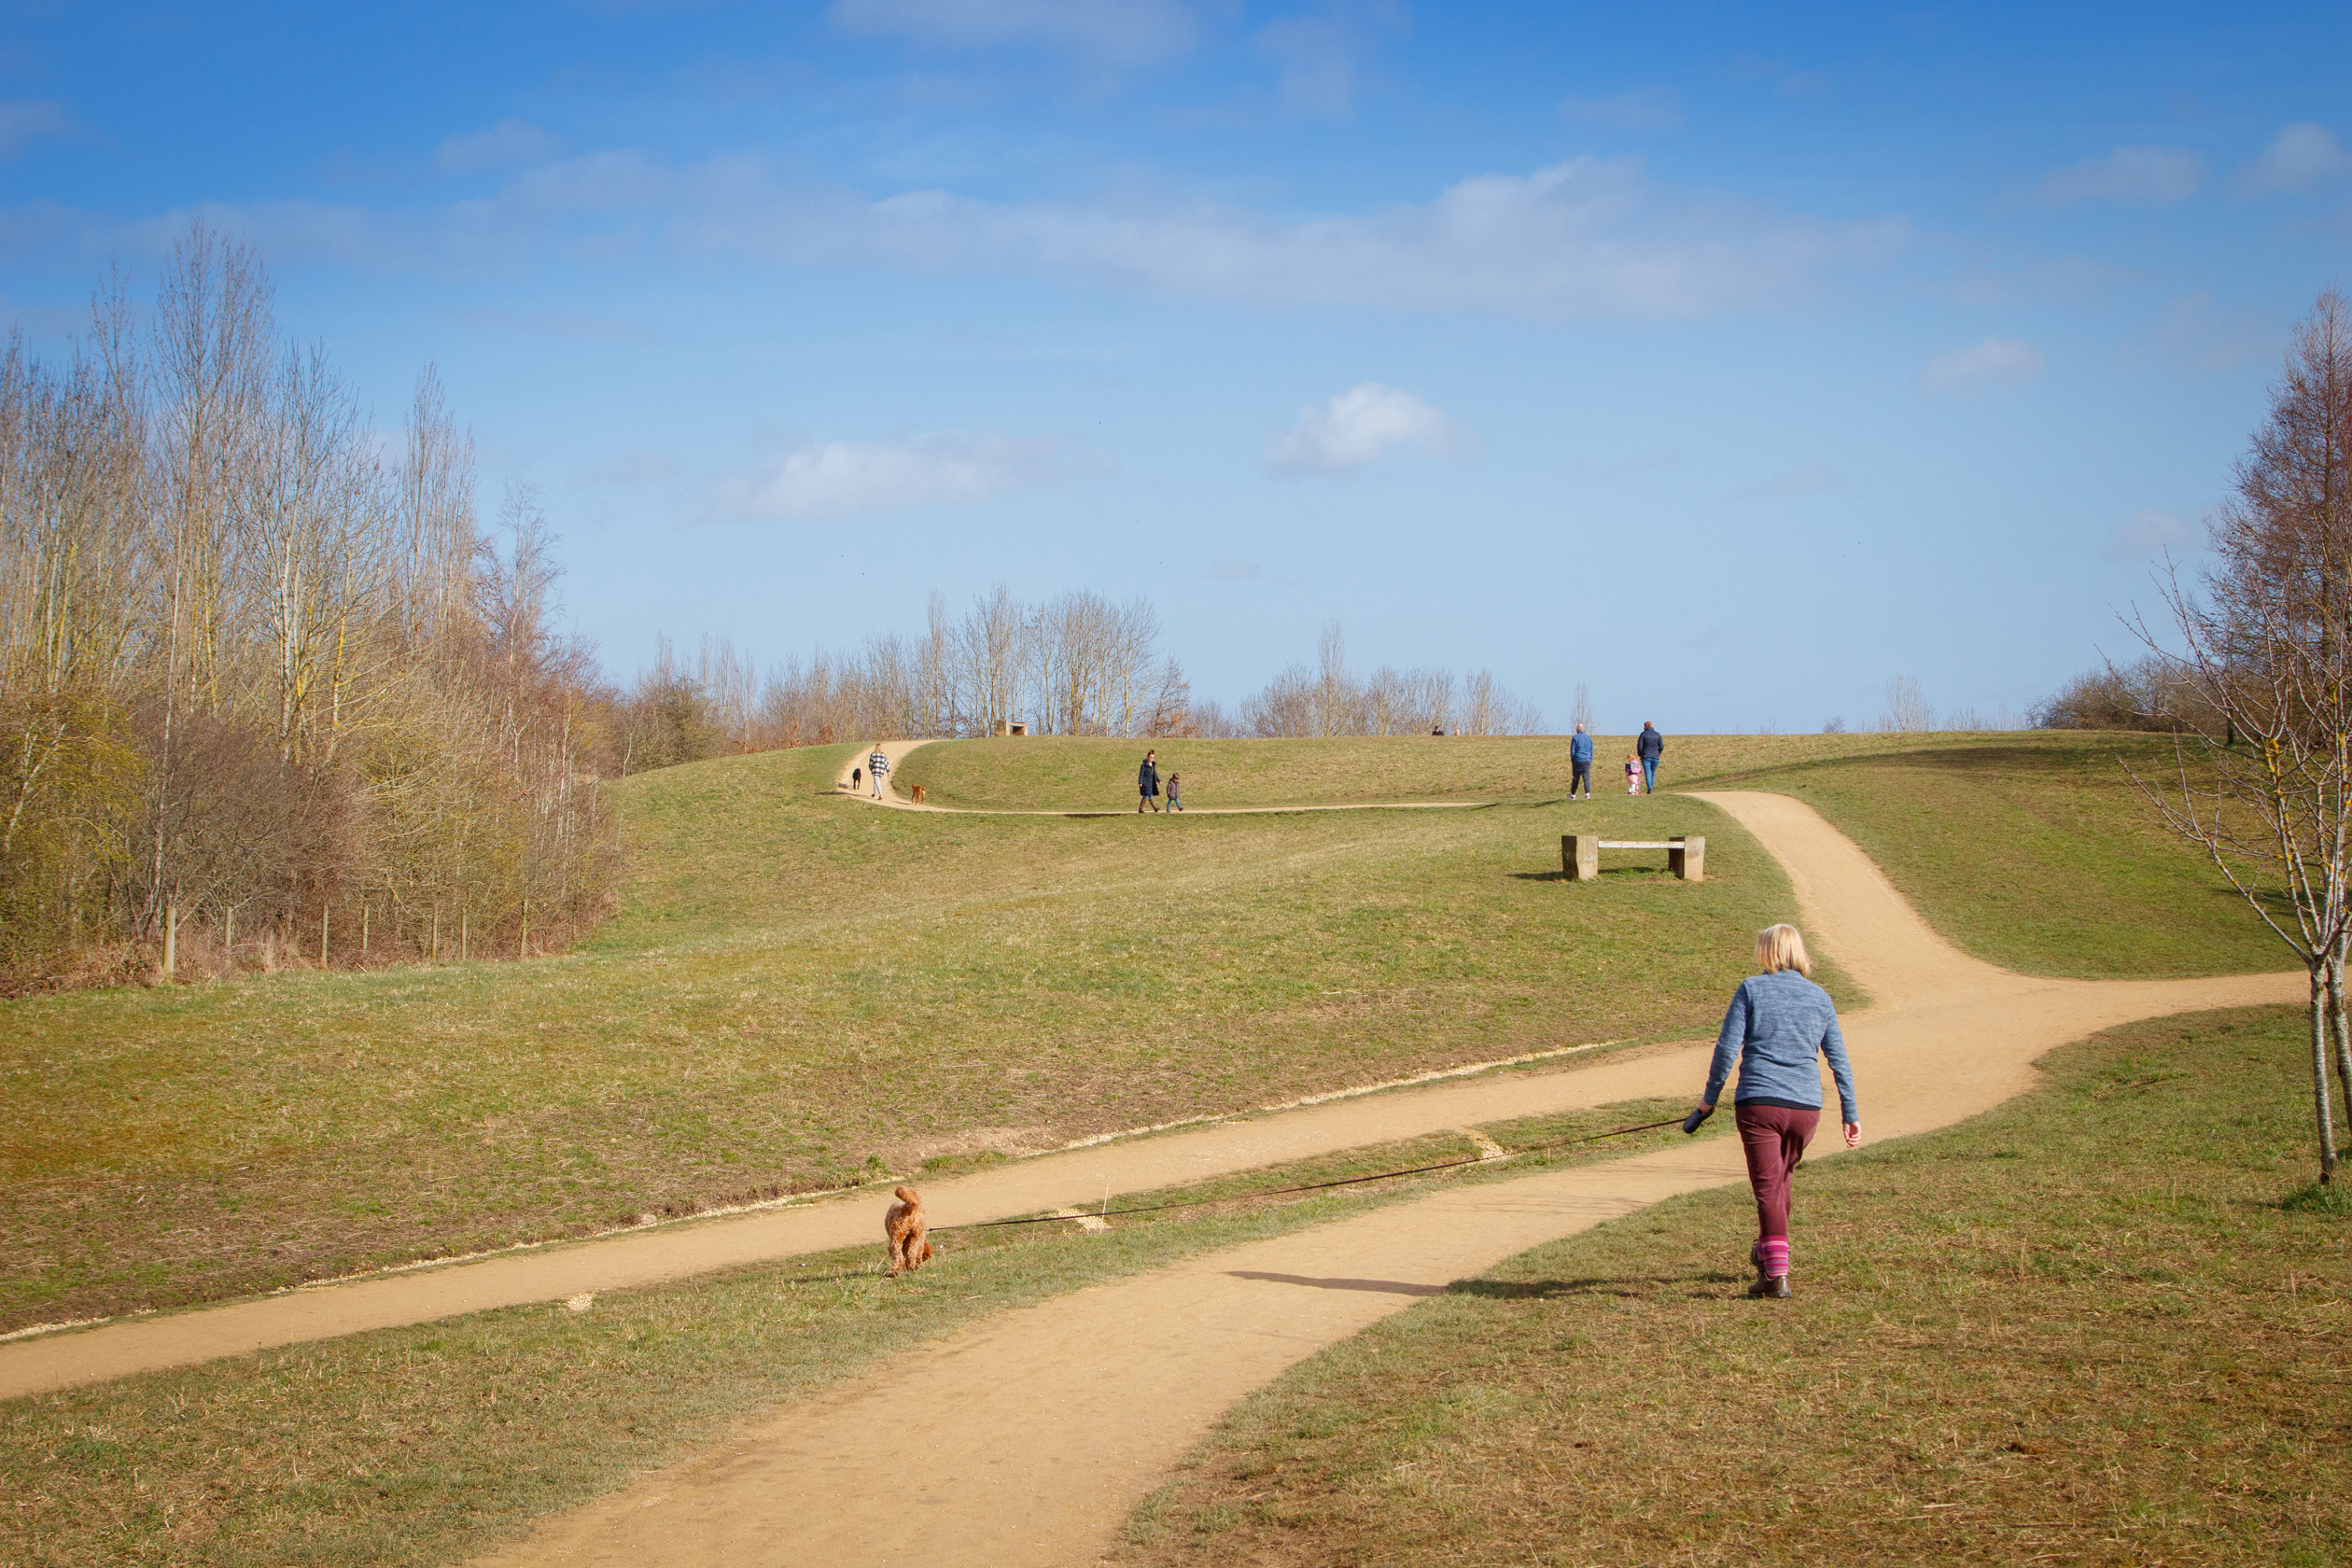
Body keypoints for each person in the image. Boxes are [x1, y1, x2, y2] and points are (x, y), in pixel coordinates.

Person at [1692, 924, 1860, 1299]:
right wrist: (1850, 1112)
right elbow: (1839, 1060)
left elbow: (1726, 1049)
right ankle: (1767, 1251)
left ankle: (1776, 1275)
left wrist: (1708, 1101)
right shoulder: (1820, 997)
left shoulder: (1752, 989)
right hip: (1806, 1107)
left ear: (1766, 952)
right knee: (1781, 1179)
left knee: (1768, 1187)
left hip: (1760, 1102)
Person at [1636, 721, 1665, 793]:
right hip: (1655, 756)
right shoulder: (1657, 734)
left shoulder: (1643, 734)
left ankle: (1650, 788)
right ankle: (1651, 788)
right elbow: (1661, 746)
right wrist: (1658, 752)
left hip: (1646, 756)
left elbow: (1640, 746)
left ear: (1645, 726)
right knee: (1653, 772)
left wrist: (1640, 754)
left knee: (1648, 772)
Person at [1569, 724, 1594, 798]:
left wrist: (1573, 760)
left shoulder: (1575, 738)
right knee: (1586, 776)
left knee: (1576, 777)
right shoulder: (1589, 738)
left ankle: (1573, 794)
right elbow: (1591, 751)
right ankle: (1587, 793)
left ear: (1577, 730)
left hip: (1578, 759)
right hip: (1587, 760)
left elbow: (1572, 751)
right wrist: (1590, 759)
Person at [1138, 749, 1161, 813]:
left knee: (1147, 795)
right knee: (1148, 794)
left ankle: (1141, 809)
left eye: (1153, 757)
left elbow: (1155, 774)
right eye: (1151, 757)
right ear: (1148, 757)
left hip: (1151, 783)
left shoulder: (1153, 765)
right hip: (1145, 783)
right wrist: (1140, 782)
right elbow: (1141, 774)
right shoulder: (1144, 765)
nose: (1152, 758)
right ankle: (1154, 808)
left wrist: (1158, 780)